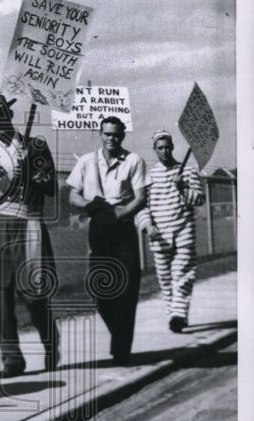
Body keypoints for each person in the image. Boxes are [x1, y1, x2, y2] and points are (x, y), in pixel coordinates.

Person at [0, 91, 60, 378]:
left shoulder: (36, 145)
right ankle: (12, 359)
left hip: (30, 223)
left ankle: (51, 343)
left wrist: (31, 169)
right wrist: (10, 177)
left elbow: (50, 186)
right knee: (1, 296)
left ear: (9, 115)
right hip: (0, 225)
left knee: (34, 295)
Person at [67, 116, 147, 366]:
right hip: (99, 226)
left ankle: (122, 349)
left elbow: (141, 197)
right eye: (106, 134)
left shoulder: (134, 160)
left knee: (126, 288)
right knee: (100, 290)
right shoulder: (86, 161)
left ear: (122, 135)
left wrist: (120, 213)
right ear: (100, 134)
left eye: (115, 134)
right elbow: (72, 195)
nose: (111, 138)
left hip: (122, 227)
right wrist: (90, 205)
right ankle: (120, 336)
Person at [139, 130, 205, 333]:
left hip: (184, 233)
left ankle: (178, 316)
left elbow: (199, 199)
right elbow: (143, 206)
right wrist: (148, 226)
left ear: (173, 147)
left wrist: (182, 187)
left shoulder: (188, 171)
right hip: (159, 238)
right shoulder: (150, 176)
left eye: (167, 147)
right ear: (154, 150)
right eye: (160, 148)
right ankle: (173, 315)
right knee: (165, 281)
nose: (164, 151)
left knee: (183, 276)